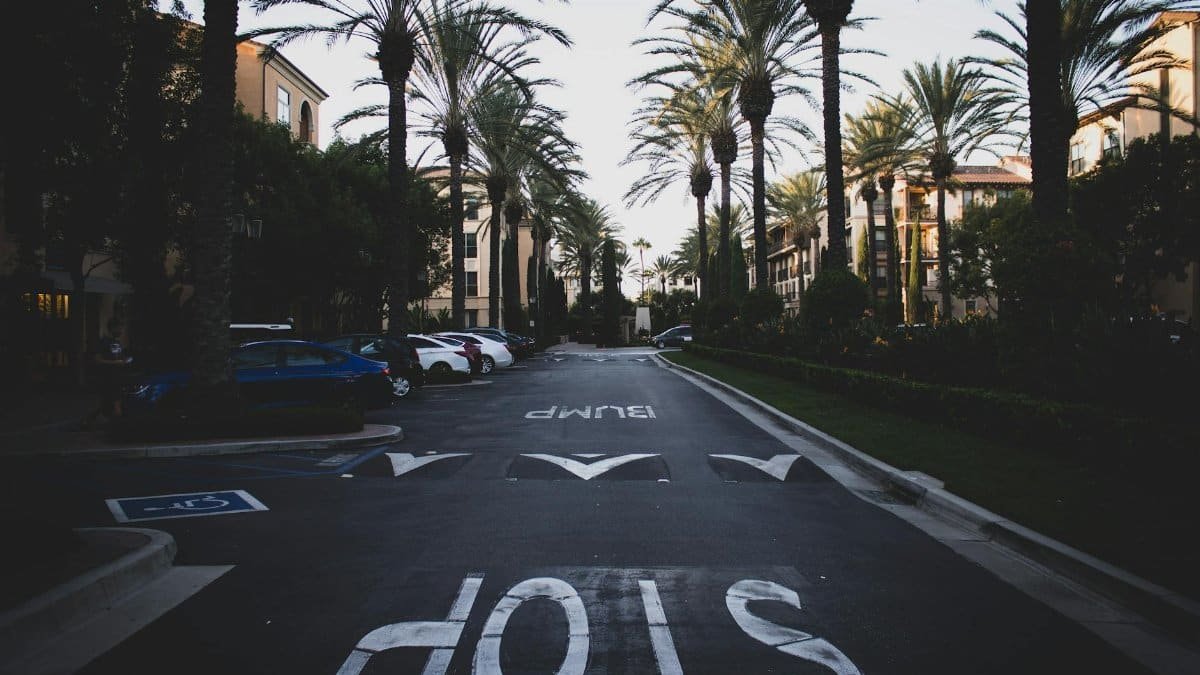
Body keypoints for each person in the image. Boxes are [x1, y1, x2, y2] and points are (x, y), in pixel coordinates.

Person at [83, 325, 131, 429]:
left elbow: (120, 356)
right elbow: (97, 360)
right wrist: (115, 363)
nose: (121, 331)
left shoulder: (117, 343)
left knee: (108, 403)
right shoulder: (103, 342)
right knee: (114, 403)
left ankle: (90, 421)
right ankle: (116, 427)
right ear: (112, 328)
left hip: (118, 377)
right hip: (107, 377)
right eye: (119, 328)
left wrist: (124, 361)